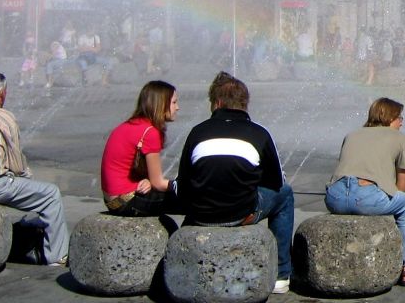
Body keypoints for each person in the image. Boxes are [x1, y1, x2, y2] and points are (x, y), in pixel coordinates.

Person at [177, 72, 294, 294]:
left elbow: (184, 183)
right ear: (245, 104)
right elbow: (276, 181)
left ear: (218, 103)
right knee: (285, 194)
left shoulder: (197, 132)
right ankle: (281, 274)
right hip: (239, 214)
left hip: (200, 216)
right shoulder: (259, 133)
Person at [325, 98, 405, 287]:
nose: (402, 122)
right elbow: (402, 187)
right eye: (399, 117)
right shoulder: (401, 139)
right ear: (389, 118)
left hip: (335, 197)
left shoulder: (352, 135)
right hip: (366, 198)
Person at [0, 71, 70, 265]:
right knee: (49, 194)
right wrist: (27, 177)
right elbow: (17, 165)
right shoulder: (3, 117)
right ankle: (57, 256)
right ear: (2, 94)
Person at [101, 80, 181, 216]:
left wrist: (146, 181)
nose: (177, 107)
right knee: (192, 199)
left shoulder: (130, 125)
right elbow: (158, 183)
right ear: (160, 104)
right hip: (127, 202)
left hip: (113, 201)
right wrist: (182, 185)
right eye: (174, 102)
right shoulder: (150, 132)